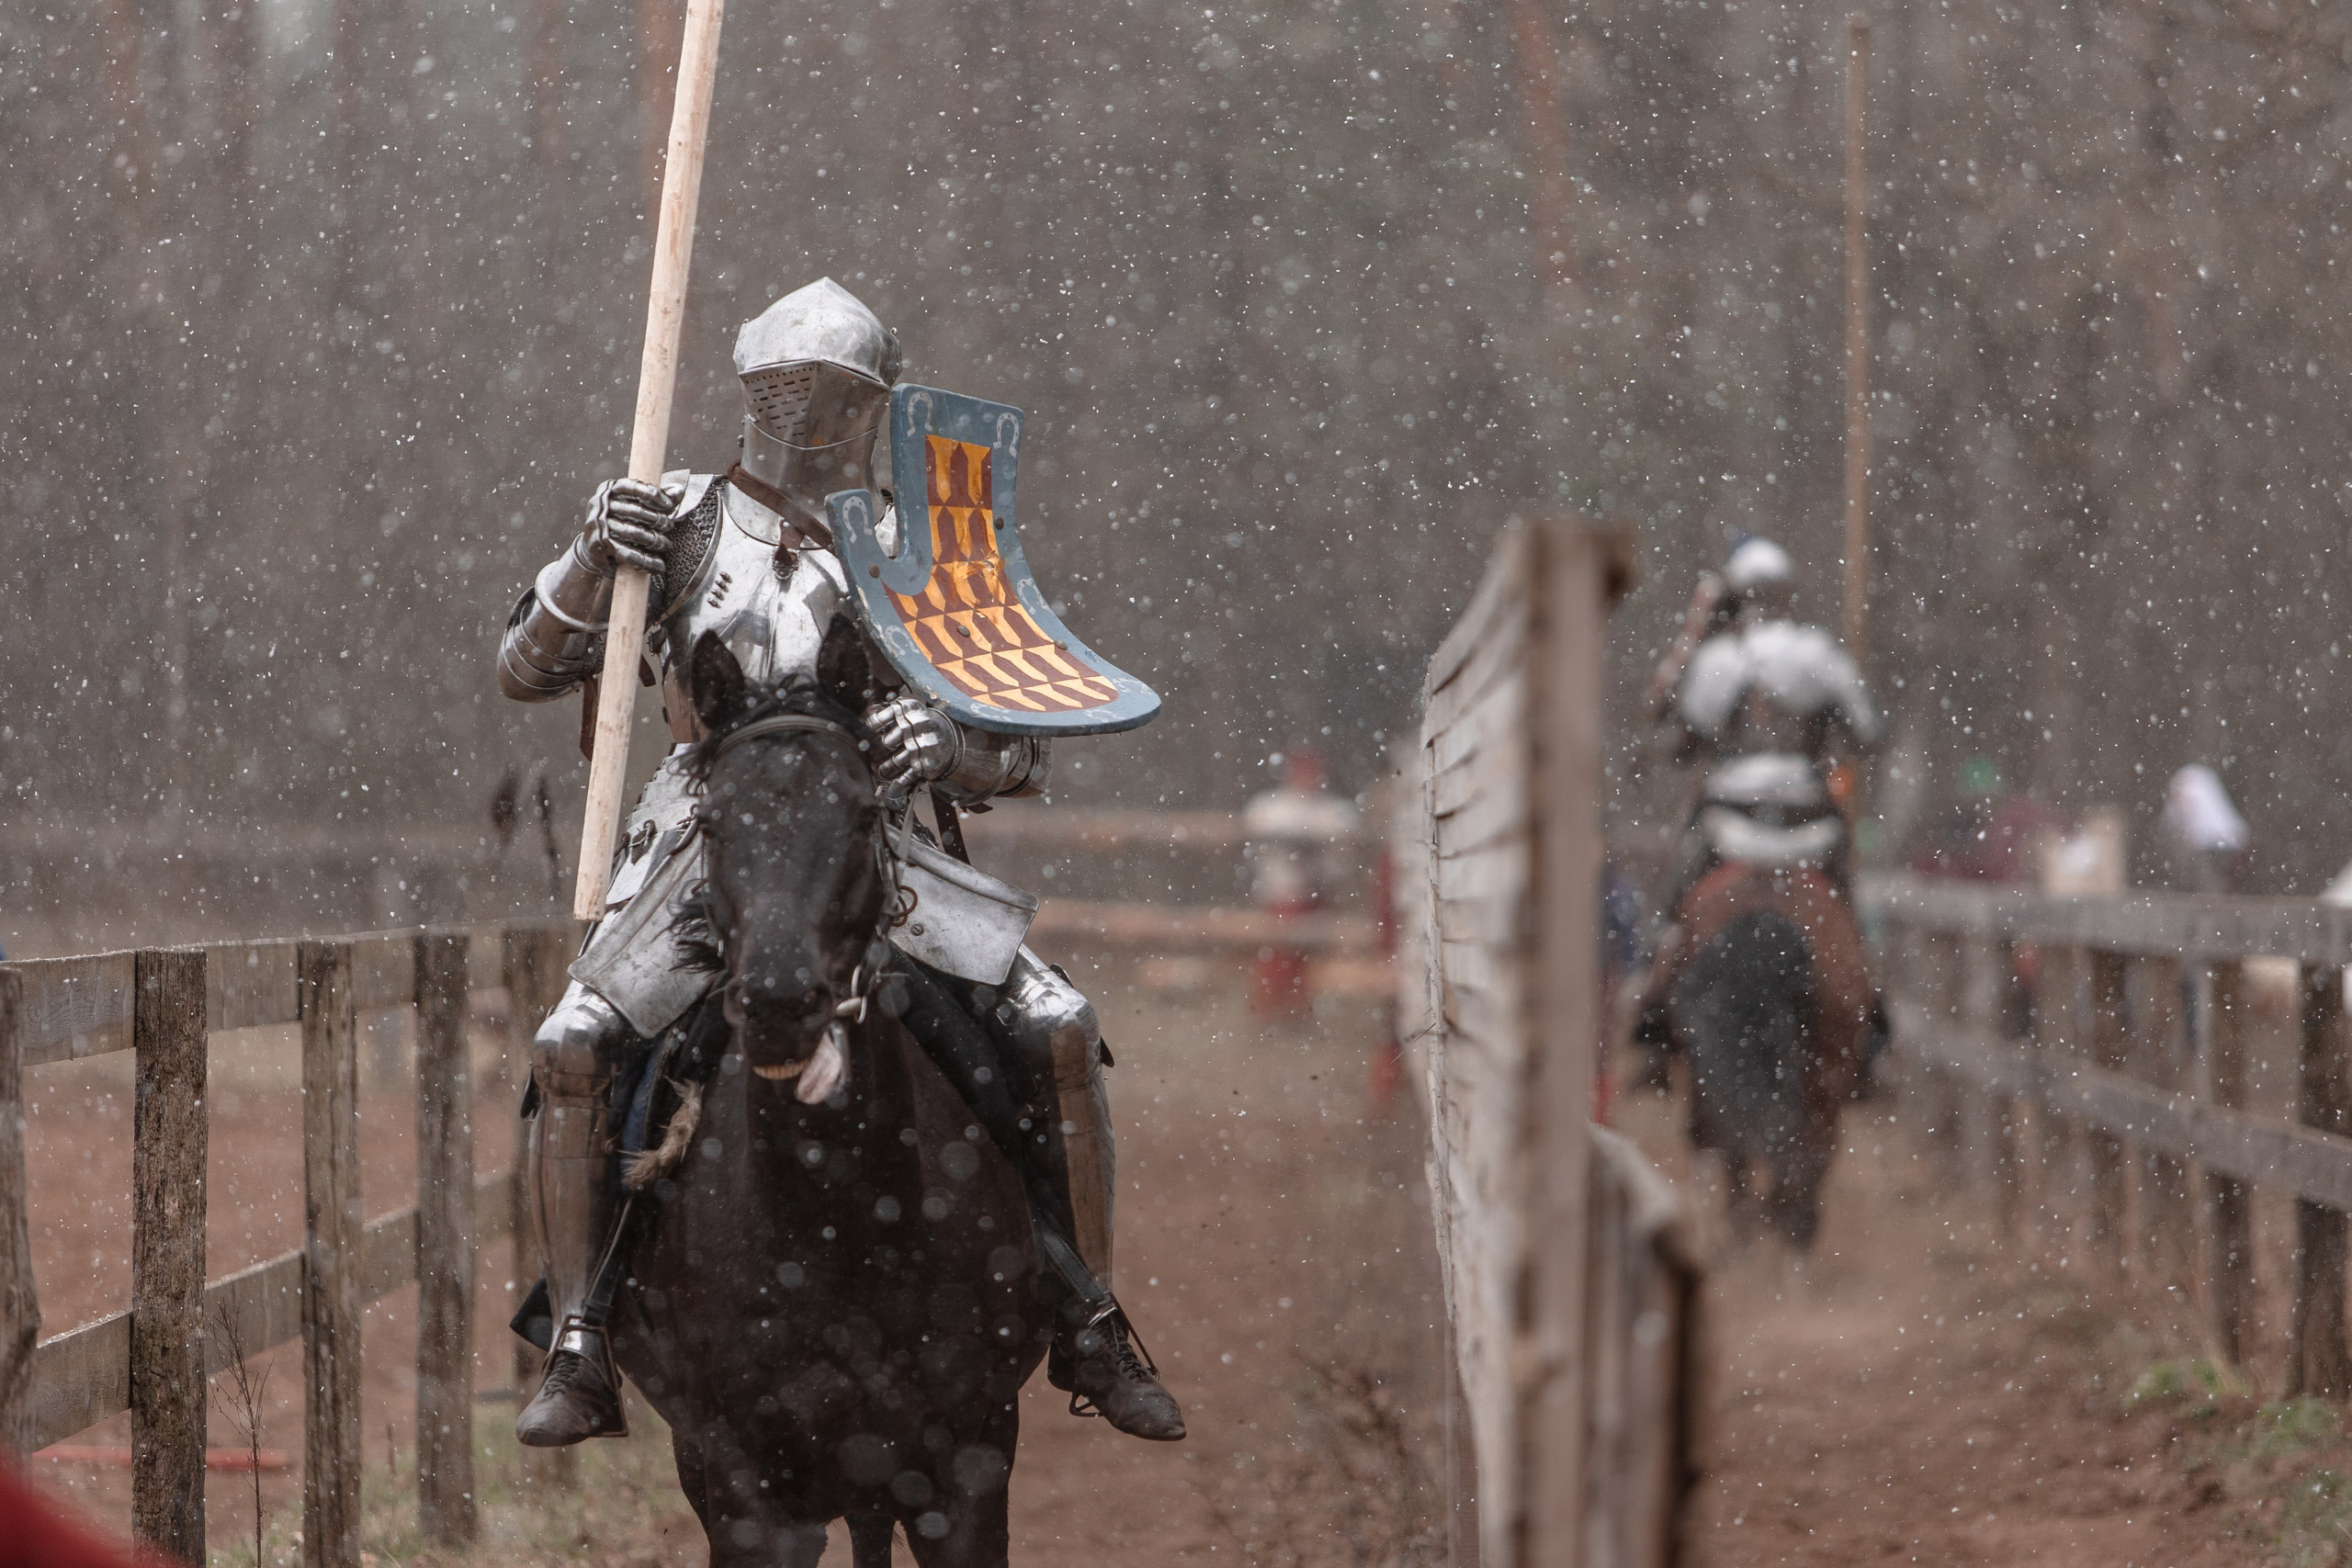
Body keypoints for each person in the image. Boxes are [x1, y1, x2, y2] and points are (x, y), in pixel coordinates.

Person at [495, 277, 1181, 1446]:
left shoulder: (919, 542)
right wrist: (585, 555)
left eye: (834, 393)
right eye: (782, 387)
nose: (804, 410)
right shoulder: (676, 517)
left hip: (883, 847)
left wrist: (948, 740)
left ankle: (1088, 1313)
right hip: (706, 837)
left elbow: (1024, 745)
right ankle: (583, 1334)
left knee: (1057, 1026)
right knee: (575, 1045)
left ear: (875, 406)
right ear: (747, 387)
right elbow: (527, 667)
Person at [1634, 537, 1886, 1050]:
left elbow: (1681, 739)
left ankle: (1655, 998)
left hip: (1728, 816)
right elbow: (1867, 730)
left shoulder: (1719, 658)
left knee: (1682, 890)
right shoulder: (1816, 652)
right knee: (1844, 898)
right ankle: (1872, 1004)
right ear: (1785, 594)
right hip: (1809, 819)